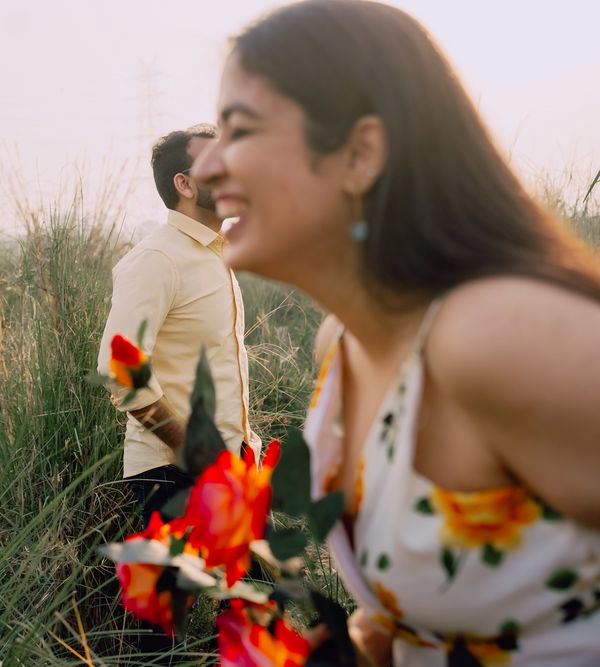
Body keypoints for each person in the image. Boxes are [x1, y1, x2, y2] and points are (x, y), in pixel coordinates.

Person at [191, 1, 600, 666]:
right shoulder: (341, 346)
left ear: (360, 153)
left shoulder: (491, 337)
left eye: (238, 130)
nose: (207, 167)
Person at [99, 124, 262, 524]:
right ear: (185, 185)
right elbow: (119, 369)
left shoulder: (215, 256)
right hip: (173, 475)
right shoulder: (157, 258)